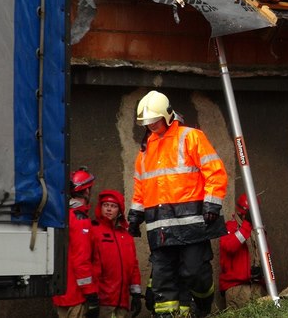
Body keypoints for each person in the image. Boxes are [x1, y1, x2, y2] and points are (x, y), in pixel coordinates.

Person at [127, 90, 228, 317]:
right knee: (162, 282)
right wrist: (135, 215)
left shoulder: (190, 137)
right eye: (147, 122)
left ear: (167, 115)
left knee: (194, 273)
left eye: (154, 120)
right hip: (161, 229)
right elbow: (140, 187)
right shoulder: (145, 152)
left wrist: (212, 203)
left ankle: (203, 305)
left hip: (192, 225)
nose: (151, 125)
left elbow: (216, 172)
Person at [52, 168, 99, 318]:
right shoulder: (80, 220)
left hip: (61, 293)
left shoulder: (63, 216)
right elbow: (81, 260)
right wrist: (90, 293)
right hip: (76, 295)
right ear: (86, 191)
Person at [91, 189, 142, 318]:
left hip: (122, 302)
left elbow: (133, 265)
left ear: (119, 210)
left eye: (113, 206)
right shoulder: (93, 230)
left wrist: (136, 294)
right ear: (100, 207)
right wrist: (91, 295)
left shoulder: (126, 235)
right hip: (102, 301)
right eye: (105, 205)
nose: (109, 209)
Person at [219, 193, 266, 309]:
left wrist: (262, 274)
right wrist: (247, 225)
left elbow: (265, 256)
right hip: (236, 289)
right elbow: (230, 246)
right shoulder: (229, 227)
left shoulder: (259, 231)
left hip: (256, 287)